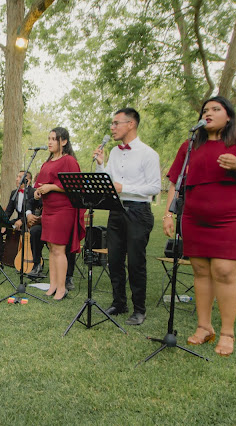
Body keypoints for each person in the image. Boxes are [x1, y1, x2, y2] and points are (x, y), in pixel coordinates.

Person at [164, 96, 236, 356]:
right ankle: (204, 327)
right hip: (194, 217)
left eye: (216, 109)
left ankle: (227, 333)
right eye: (205, 110)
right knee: (201, 271)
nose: (208, 113)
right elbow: (175, 182)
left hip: (233, 217)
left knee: (224, 271)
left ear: (229, 116)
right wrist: (168, 214)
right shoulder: (189, 146)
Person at [93, 108, 161, 325]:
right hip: (116, 211)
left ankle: (139, 309)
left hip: (138, 212)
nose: (112, 128)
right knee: (113, 259)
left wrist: (125, 187)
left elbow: (155, 187)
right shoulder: (113, 152)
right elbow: (108, 182)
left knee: (135, 262)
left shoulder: (148, 154)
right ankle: (119, 302)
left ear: (130, 124)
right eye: (111, 124)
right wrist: (101, 164)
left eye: (116, 123)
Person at [34, 128, 86, 300]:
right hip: (48, 210)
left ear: (63, 141)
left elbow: (76, 186)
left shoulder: (69, 161)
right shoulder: (47, 162)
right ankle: (53, 285)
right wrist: (38, 192)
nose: (49, 142)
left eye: (53, 139)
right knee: (51, 248)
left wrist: (52, 187)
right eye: (48, 138)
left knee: (59, 249)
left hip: (63, 210)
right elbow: (39, 183)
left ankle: (62, 288)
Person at [4, 171, 43, 276]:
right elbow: (8, 211)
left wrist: (22, 220)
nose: (17, 179)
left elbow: (35, 212)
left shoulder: (33, 192)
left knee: (31, 231)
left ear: (28, 180)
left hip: (29, 221)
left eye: (20, 177)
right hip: (18, 219)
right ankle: (0, 259)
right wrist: (3, 222)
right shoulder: (14, 192)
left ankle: (32, 260)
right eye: (17, 176)